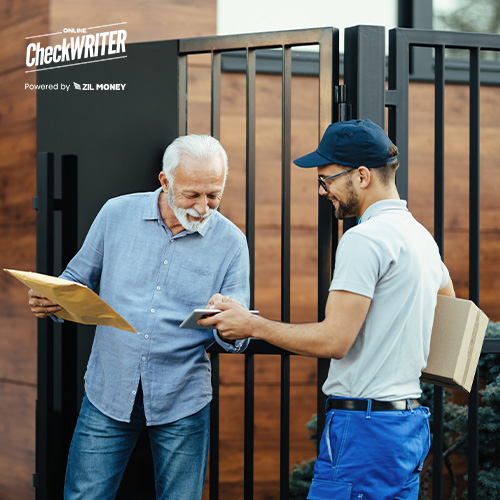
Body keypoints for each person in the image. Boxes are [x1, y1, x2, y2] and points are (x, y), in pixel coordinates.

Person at [200, 119, 455, 500]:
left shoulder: (364, 239)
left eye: (328, 180)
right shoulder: (421, 238)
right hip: (409, 424)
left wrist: (252, 324)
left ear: (363, 175)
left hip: (364, 428)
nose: (324, 191)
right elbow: (451, 314)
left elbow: (335, 339)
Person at [28, 134, 250, 500]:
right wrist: (50, 299)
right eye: (192, 195)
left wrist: (230, 324)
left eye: (213, 195)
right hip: (108, 391)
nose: (203, 207)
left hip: (183, 399)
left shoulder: (231, 242)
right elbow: (75, 280)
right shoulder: (116, 213)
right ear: (165, 181)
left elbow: (238, 333)